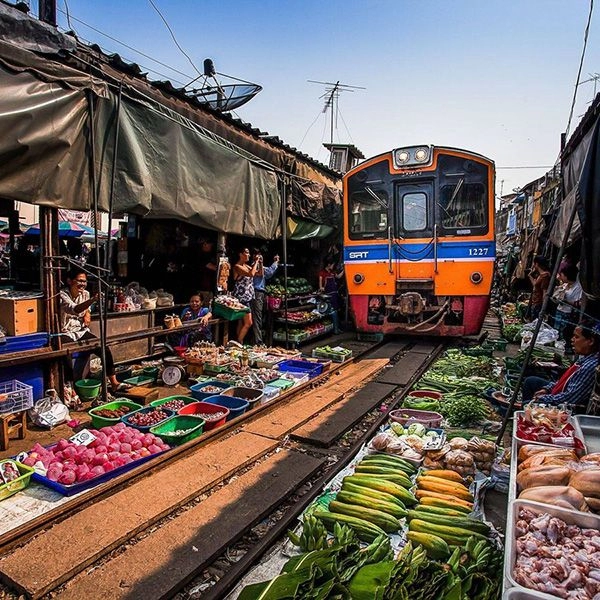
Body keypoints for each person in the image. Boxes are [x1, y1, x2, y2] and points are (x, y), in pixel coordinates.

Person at [59, 268, 129, 396]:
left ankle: (114, 383)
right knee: (66, 355)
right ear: (69, 281)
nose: (82, 284)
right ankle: (70, 389)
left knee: (104, 348)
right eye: (79, 281)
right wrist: (92, 300)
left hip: (80, 331)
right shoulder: (63, 294)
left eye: (84, 281)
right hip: (65, 332)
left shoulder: (85, 293)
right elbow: (75, 309)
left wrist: (88, 313)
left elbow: (86, 310)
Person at [521, 320, 600, 414]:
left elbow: (570, 398)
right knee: (531, 381)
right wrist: (547, 389)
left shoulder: (590, 366)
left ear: (590, 341)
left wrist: (543, 399)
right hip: (565, 392)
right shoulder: (585, 357)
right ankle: (530, 414)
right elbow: (563, 381)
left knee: (526, 404)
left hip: (570, 406)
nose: (572, 339)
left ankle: (532, 417)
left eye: (577, 337)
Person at [250, 248, 279, 345]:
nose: (258, 256)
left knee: (258, 316)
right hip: (255, 292)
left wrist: (275, 262)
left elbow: (269, 272)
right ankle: (258, 341)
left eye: (259, 254)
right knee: (256, 317)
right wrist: (260, 262)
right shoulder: (252, 266)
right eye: (256, 254)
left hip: (260, 293)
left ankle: (256, 340)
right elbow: (261, 273)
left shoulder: (260, 265)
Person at [552, 264, 583, 350]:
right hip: (559, 311)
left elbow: (579, 303)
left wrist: (566, 301)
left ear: (567, 276)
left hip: (568, 314)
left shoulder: (578, 287)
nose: (560, 277)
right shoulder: (565, 285)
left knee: (565, 335)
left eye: (561, 275)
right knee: (557, 334)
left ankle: (564, 351)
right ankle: (556, 349)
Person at [232, 247, 260, 343]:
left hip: (247, 297)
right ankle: (239, 341)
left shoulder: (247, 266)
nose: (248, 255)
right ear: (240, 254)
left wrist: (260, 262)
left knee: (241, 322)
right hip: (242, 298)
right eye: (246, 253)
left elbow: (259, 274)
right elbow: (251, 274)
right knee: (248, 323)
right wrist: (256, 262)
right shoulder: (237, 266)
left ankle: (239, 341)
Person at [319, 258, 343, 334]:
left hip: (335, 294)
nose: (333, 266)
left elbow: (338, 277)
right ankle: (335, 330)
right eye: (332, 264)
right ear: (328, 264)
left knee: (336, 311)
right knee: (333, 311)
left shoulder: (332, 272)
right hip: (328, 295)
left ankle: (337, 328)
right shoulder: (322, 273)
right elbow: (320, 287)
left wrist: (345, 270)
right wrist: (322, 288)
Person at [528, 255, 551, 322]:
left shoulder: (545, 276)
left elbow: (544, 291)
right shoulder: (540, 275)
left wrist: (544, 307)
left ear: (536, 264)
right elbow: (535, 285)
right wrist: (530, 275)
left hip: (539, 303)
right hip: (535, 302)